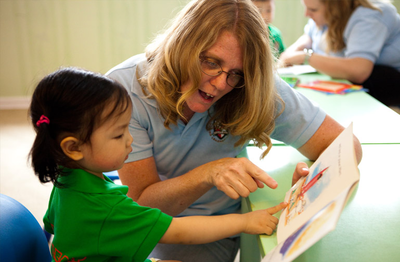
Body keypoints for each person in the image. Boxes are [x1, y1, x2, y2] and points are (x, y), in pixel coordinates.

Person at [106, 0, 362, 261]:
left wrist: (310, 185)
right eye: (211, 62)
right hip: (149, 228)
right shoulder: (125, 89)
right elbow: (142, 204)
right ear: (182, 43)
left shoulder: (255, 86)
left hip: (214, 234)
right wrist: (208, 174)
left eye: (236, 73)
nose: (219, 84)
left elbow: (345, 145)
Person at [29, 67, 288, 262]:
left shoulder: (65, 178)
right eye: (119, 134)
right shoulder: (109, 209)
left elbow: (50, 228)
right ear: (73, 148)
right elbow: (180, 232)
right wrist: (244, 222)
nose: (131, 140)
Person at [279, 0, 400, 106]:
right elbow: (309, 38)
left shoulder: (370, 16)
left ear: (335, 7)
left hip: (388, 81)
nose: (306, 14)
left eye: (313, 9)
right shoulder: (329, 16)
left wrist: (305, 57)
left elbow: (358, 70)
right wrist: (291, 55)